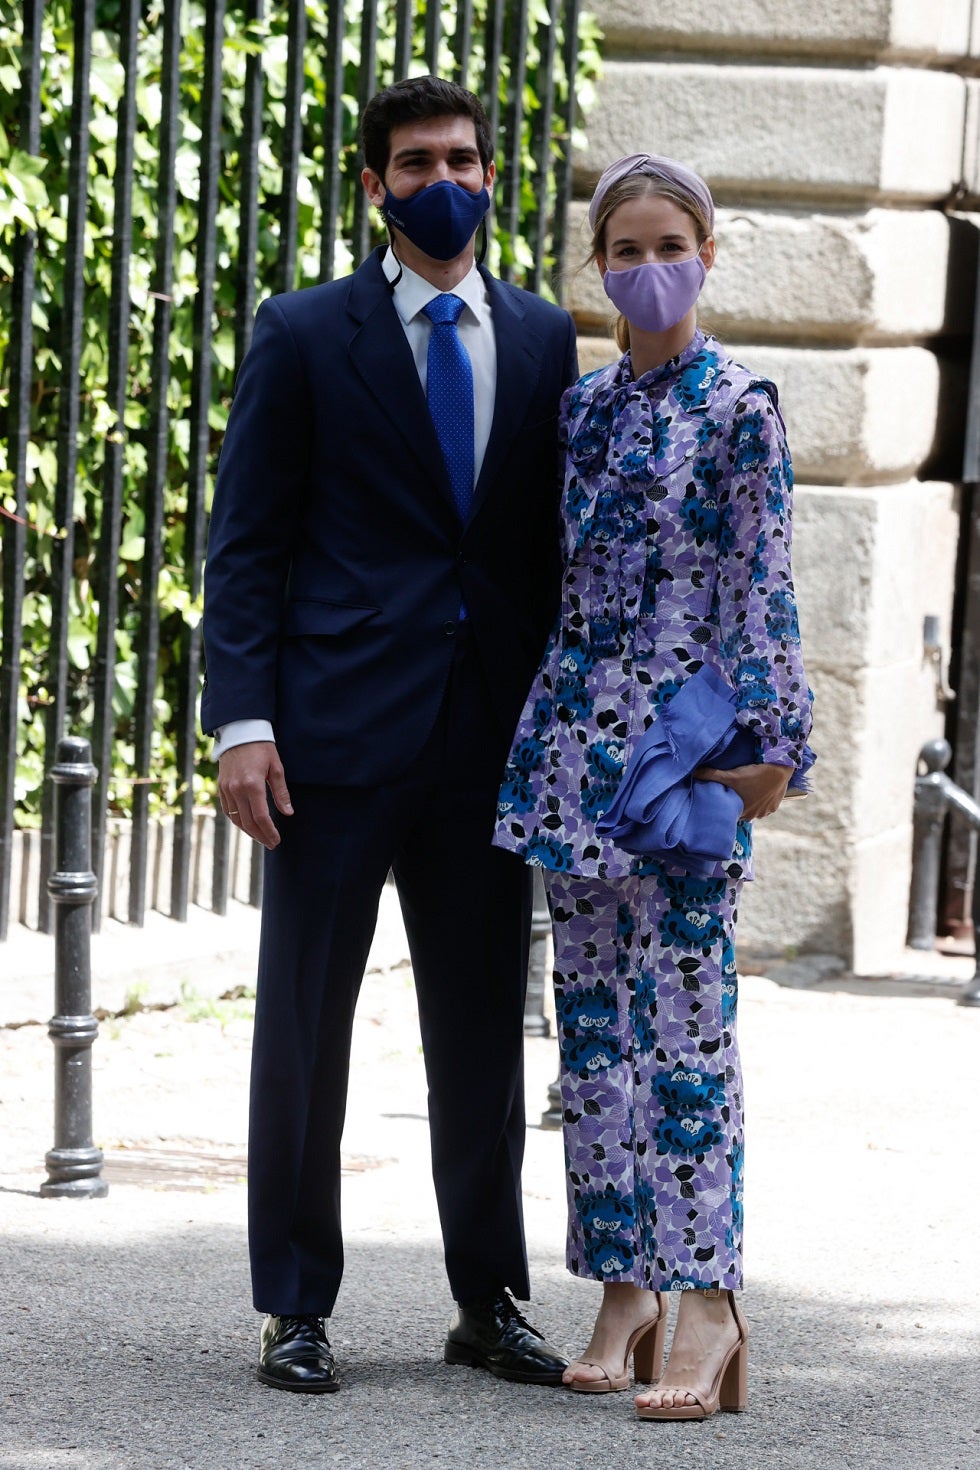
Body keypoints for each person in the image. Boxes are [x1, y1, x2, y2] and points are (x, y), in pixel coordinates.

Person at [201, 75, 578, 1393]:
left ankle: (490, 1296)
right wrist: (242, 718)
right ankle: (296, 1302)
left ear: (491, 170)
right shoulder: (305, 332)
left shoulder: (543, 338)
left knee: (482, 1023)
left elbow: (543, 548)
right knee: (304, 1023)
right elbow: (247, 542)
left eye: (463, 156)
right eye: (415, 159)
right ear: (373, 183)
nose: (443, 178)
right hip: (331, 738)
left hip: (487, 737)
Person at [494, 153, 813, 1420]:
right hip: (577, 748)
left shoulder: (742, 404)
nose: (643, 266)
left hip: (684, 757)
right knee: (592, 1035)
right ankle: (621, 1284)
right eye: (619, 249)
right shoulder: (580, 412)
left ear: (707, 250)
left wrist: (772, 751)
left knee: (685, 1035)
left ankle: (705, 1301)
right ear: (597, 267)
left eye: (664, 243)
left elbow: (764, 588)